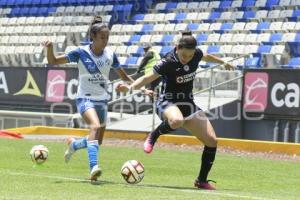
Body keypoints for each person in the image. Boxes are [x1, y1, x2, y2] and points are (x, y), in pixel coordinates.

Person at [116, 32, 235, 190]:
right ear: (177, 48)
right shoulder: (167, 61)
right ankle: (154, 135)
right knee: (176, 121)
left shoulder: (196, 54)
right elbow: (147, 78)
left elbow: (206, 56)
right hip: (167, 101)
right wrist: (130, 88)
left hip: (188, 103)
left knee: (212, 141)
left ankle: (201, 180)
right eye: (184, 55)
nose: (187, 58)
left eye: (190, 55)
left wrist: (223, 61)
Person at [43, 16, 135, 182]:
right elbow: (54, 61)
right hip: (85, 99)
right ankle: (94, 167)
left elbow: (124, 76)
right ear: (92, 37)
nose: (105, 41)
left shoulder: (110, 55)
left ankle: (74, 145)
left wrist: (140, 87)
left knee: (97, 140)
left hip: (102, 101)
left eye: (107, 37)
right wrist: (49, 48)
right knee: (95, 126)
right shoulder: (81, 52)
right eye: (102, 38)